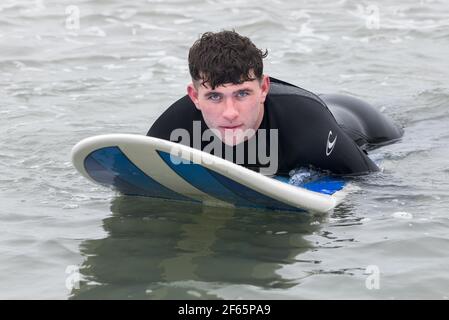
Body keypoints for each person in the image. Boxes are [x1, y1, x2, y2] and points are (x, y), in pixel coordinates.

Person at [147, 30, 403, 176]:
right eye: (214, 96)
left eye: (242, 94)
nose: (229, 113)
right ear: (195, 97)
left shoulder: (307, 130)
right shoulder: (173, 127)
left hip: (360, 125)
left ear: (263, 89)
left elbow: (375, 182)